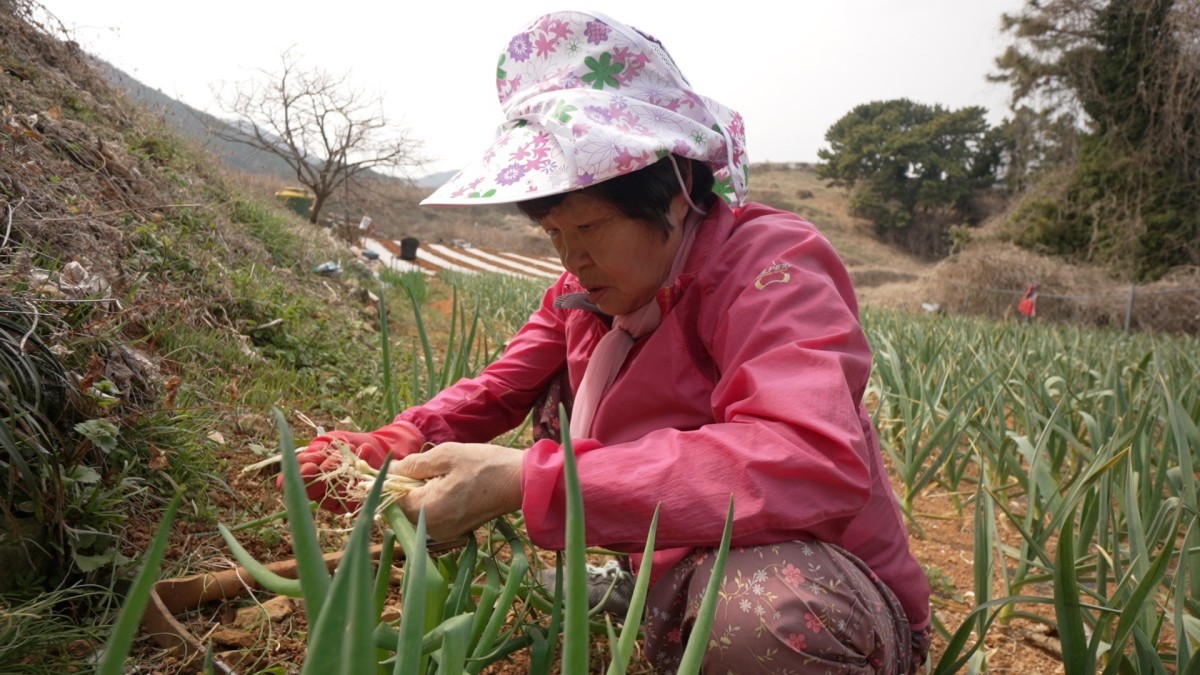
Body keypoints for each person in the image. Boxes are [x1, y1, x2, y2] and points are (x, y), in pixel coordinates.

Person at [286, 11, 930, 673]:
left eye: (589, 226)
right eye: (555, 234)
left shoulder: (770, 268)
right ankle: (648, 597)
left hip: (823, 594)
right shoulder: (583, 296)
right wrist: (392, 443)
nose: (573, 257)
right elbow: (495, 391)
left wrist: (528, 481)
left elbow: (807, 457)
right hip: (676, 569)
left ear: (676, 197)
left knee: (763, 618)